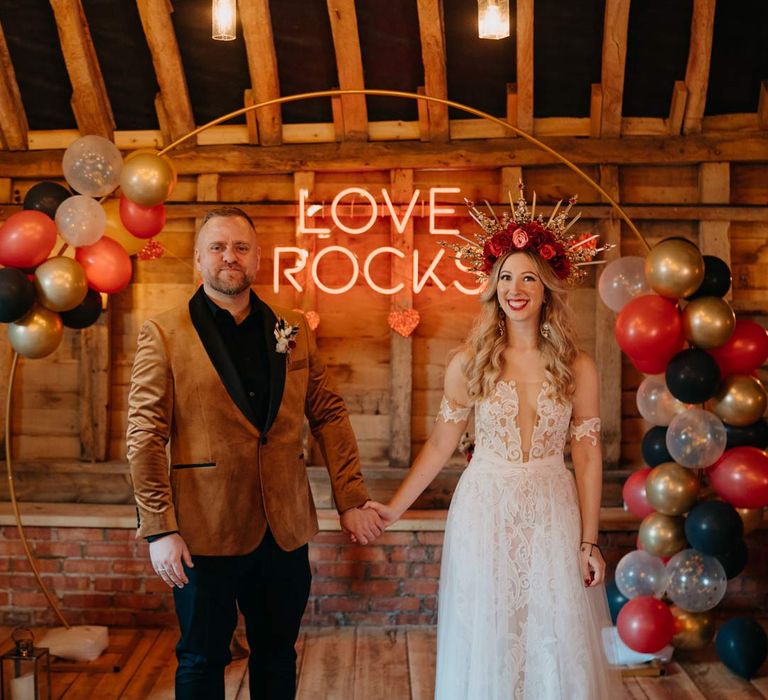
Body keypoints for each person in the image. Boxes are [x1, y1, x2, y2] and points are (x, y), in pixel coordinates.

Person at [366, 191, 623, 699]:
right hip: (485, 507)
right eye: (505, 276)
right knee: (489, 628)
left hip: (552, 506)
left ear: (547, 287)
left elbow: (587, 455)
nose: (515, 288)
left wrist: (589, 541)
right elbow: (442, 442)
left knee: (552, 628)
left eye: (528, 276)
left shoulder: (580, 367)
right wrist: (395, 508)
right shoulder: (469, 362)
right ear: (493, 287)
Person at [126, 206, 383, 700]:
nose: (230, 257)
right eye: (218, 247)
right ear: (198, 258)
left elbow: (328, 413)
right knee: (202, 659)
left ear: (258, 258)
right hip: (203, 529)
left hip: (283, 529)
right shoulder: (164, 332)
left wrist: (350, 498)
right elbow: (145, 434)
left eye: (241, 247)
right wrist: (159, 527)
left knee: (277, 654)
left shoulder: (292, 327)